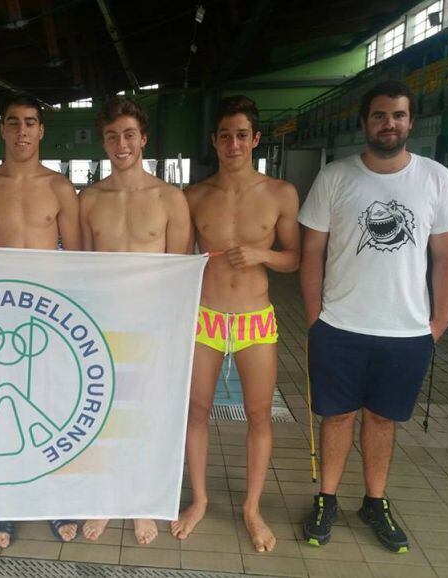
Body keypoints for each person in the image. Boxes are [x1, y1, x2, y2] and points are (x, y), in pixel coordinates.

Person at [299, 80, 448, 553]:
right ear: (364, 123)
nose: (388, 124)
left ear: (411, 121)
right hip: (339, 326)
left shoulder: (434, 178)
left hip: (406, 331)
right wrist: (314, 317)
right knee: (337, 418)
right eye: (379, 115)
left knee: (382, 420)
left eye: (398, 115)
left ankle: (375, 500)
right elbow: (312, 252)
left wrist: (440, 322)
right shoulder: (335, 177)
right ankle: (327, 499)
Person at [172, 95, 300, 552]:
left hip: (253, 321)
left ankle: (251, 507)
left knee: (259, 415)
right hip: (205, 317)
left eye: (241, 135)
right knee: (198, 411)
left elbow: (294, 258)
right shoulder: (194, 195)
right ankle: (200, 499)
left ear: (256, 139)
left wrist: (263, 254)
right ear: (215, 141)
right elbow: (176, 258)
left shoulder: (280, 193)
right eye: (225, 135)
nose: (233, 143)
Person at [0, 92, 81, 548]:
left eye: (30, 122)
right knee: (1, 409)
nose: (22, 131)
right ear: (2, 128)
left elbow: (76, 260)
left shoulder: (59, 187)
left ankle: (54, 498)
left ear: (41, 129)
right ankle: (4, 502)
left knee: (53, 410)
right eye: (13, 123)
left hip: (50, 316)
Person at [78, 98, 190, 545]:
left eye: (128, 134)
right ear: (103, 142)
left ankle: (143, 502)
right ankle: (109, 497)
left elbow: (178, 272)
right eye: (111, 136)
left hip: (151, 323)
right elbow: (83, 269)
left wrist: (165, 330)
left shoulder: (170, 198)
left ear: (143, 138)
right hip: (103, 325)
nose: (121, 144)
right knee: (106, 417)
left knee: (147, 416)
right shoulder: (89, 198)